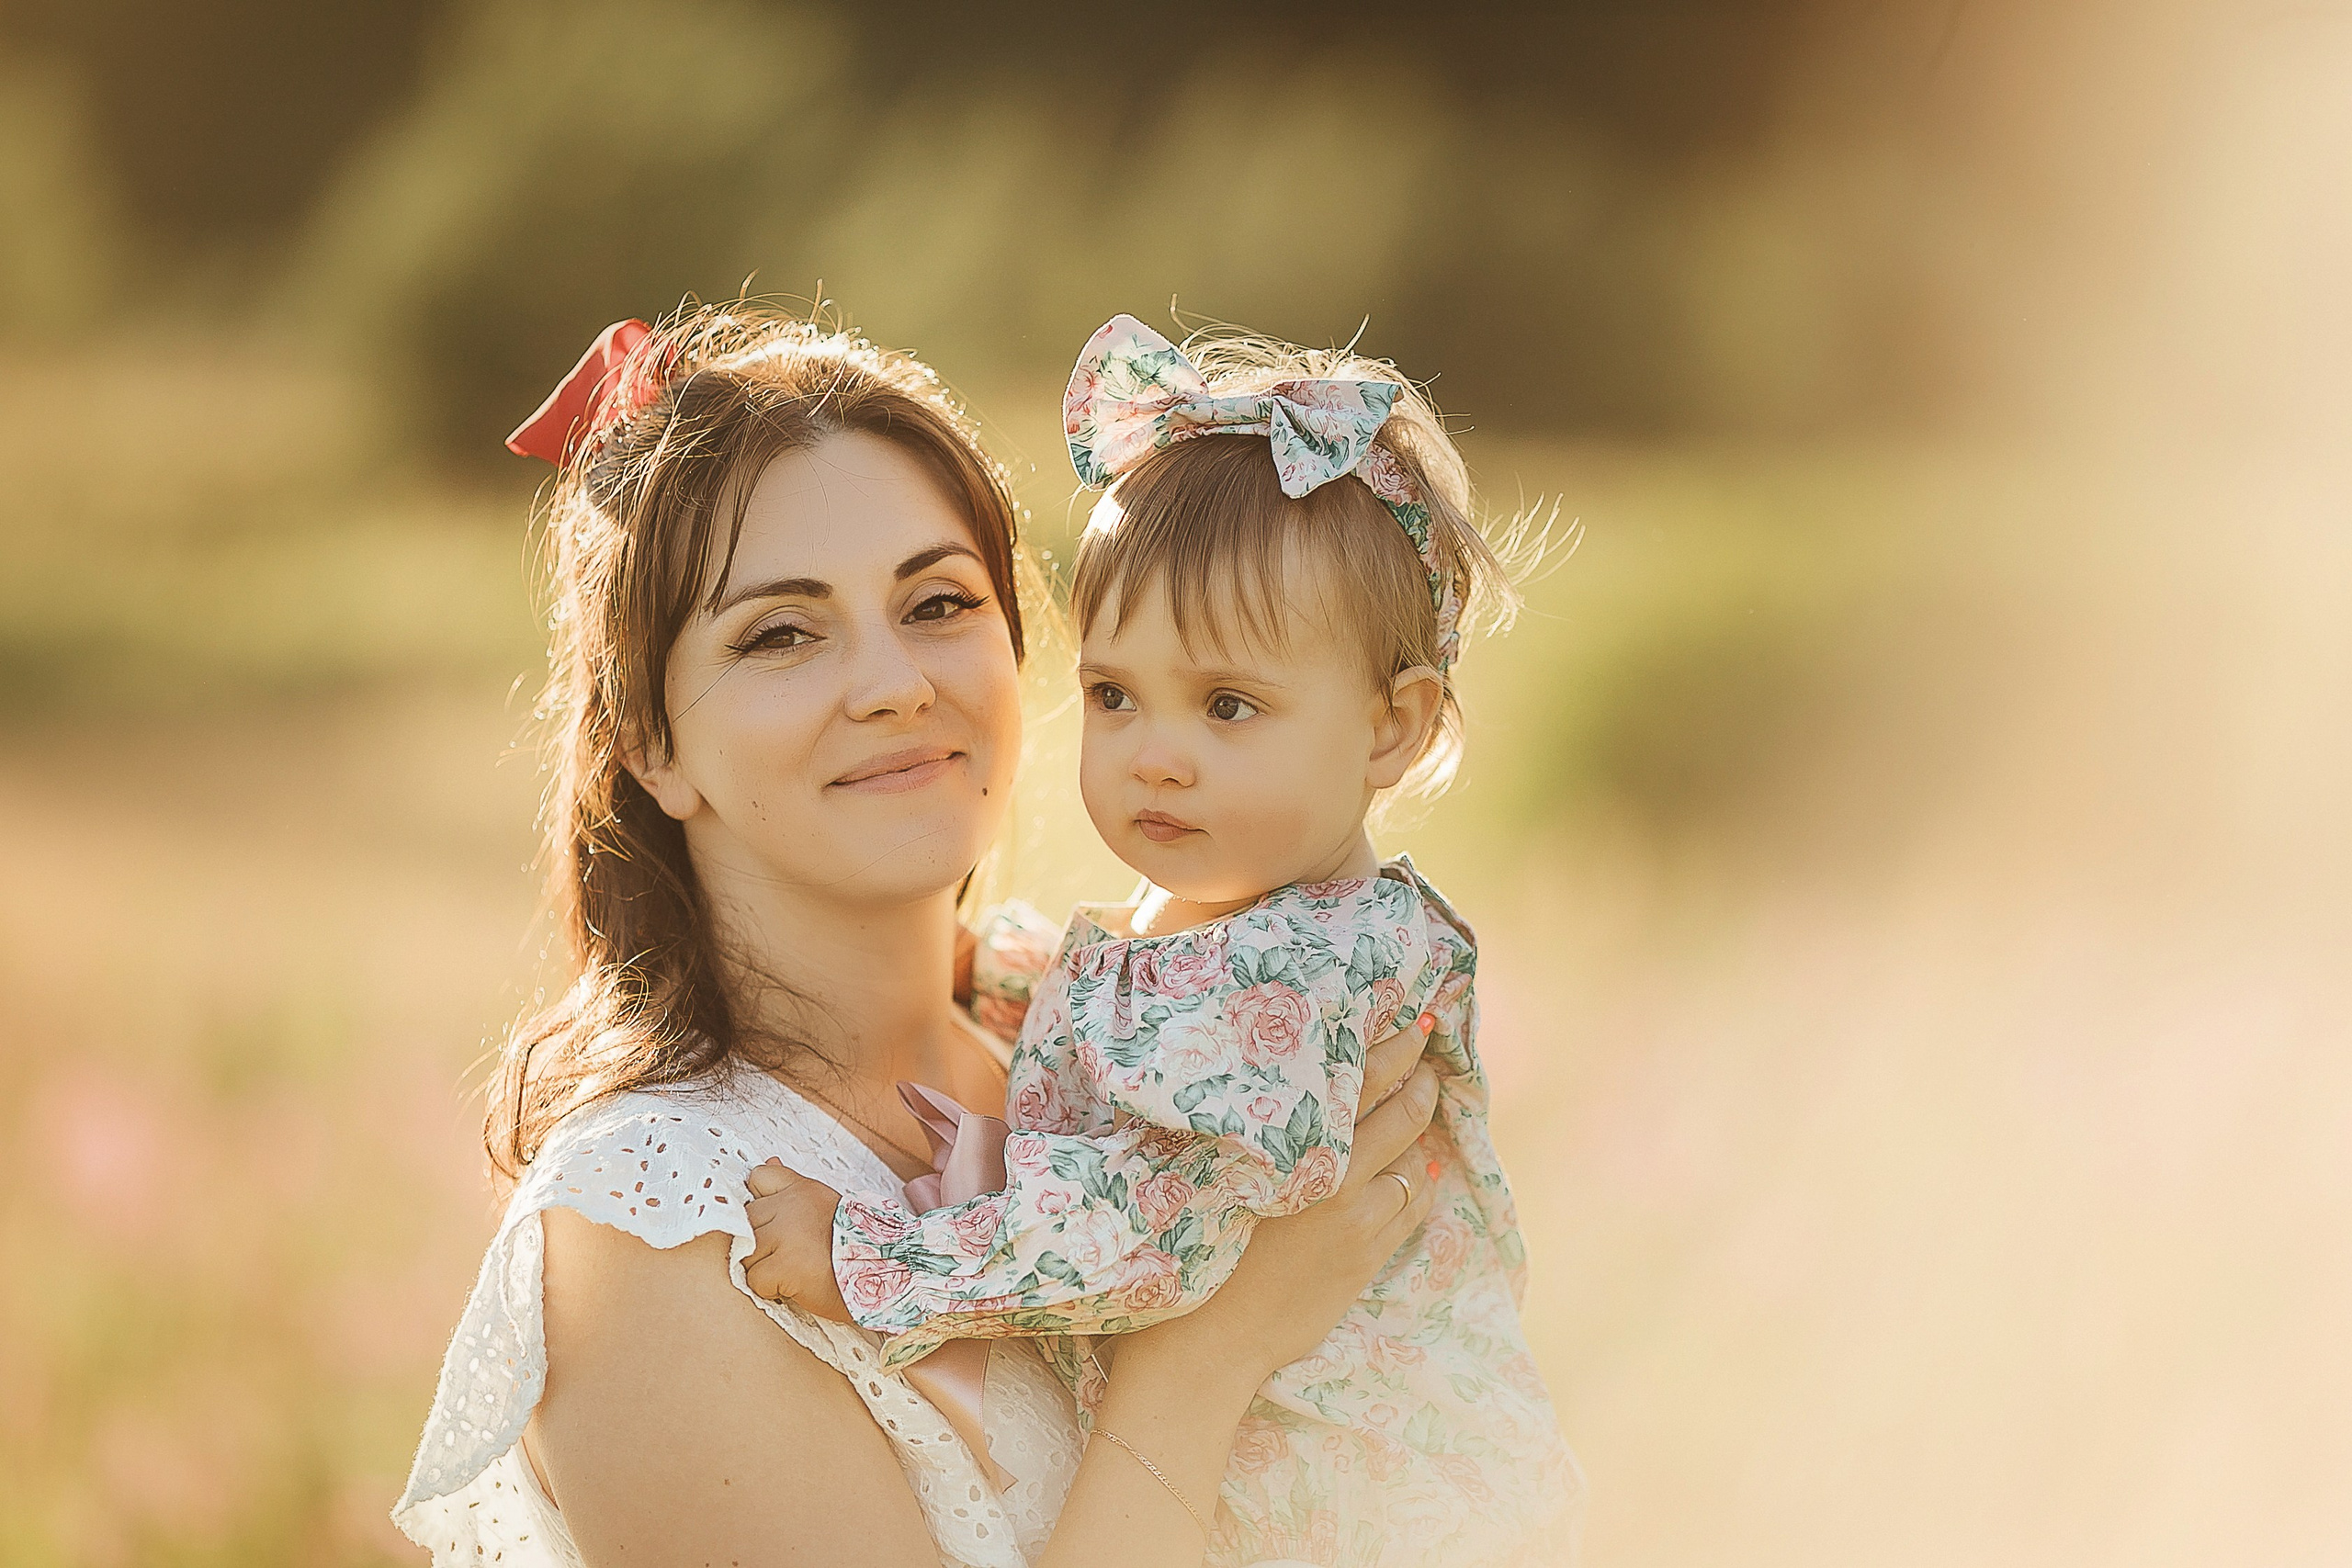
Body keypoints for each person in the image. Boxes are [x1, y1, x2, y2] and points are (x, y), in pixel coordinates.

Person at [390, 303, 1446, 1568]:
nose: (896, 683)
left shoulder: (1104, 1043)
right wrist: (1208, 1357)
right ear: (650, 744)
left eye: (940, 604)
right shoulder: (656, 1233)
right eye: (781, 632)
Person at [741, 316, 1581, 1565]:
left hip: (1362, 1518)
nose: (1155, 754)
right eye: (1113, 695)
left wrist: (872, 1262)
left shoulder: (1297, 979)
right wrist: (1006, 972)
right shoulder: (1260, 921)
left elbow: (1140, 1236)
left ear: (1391, 730)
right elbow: (1131, 1006)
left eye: (1228, 704)